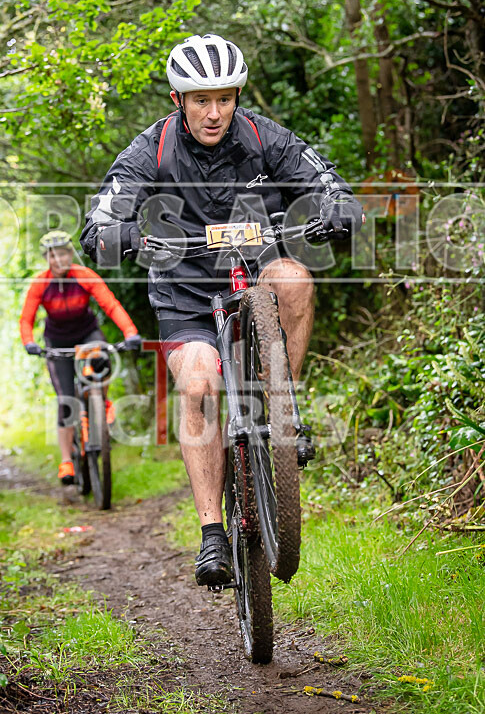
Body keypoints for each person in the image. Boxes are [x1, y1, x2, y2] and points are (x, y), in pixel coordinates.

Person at [80, 33, 363, 586]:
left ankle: (281, 407)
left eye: (225, 99)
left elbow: (323, 177)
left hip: (257, 269)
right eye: (201, 100)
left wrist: (338, 204)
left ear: (237, 98)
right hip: (184, 289)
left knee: (295, 278)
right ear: (178, 100)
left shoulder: (262, 136)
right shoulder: (151, 149)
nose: (214, 113)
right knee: (199, 384)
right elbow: (104, 215)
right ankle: (213, 533)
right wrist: (118, 233)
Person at [19, 230, 141, 485]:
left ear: (70, 254)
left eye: (63, 254)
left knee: (102, 358)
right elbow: (26, 319)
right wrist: (29, 342)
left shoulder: (84, 275)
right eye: (53, 256)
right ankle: (66, 461)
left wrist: (130, 332)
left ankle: (101, 402)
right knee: (65, 401)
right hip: (57, 341)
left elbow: (111, 305)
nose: (58, 260)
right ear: (47, 259)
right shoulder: (41, 283)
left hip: (87, 334)